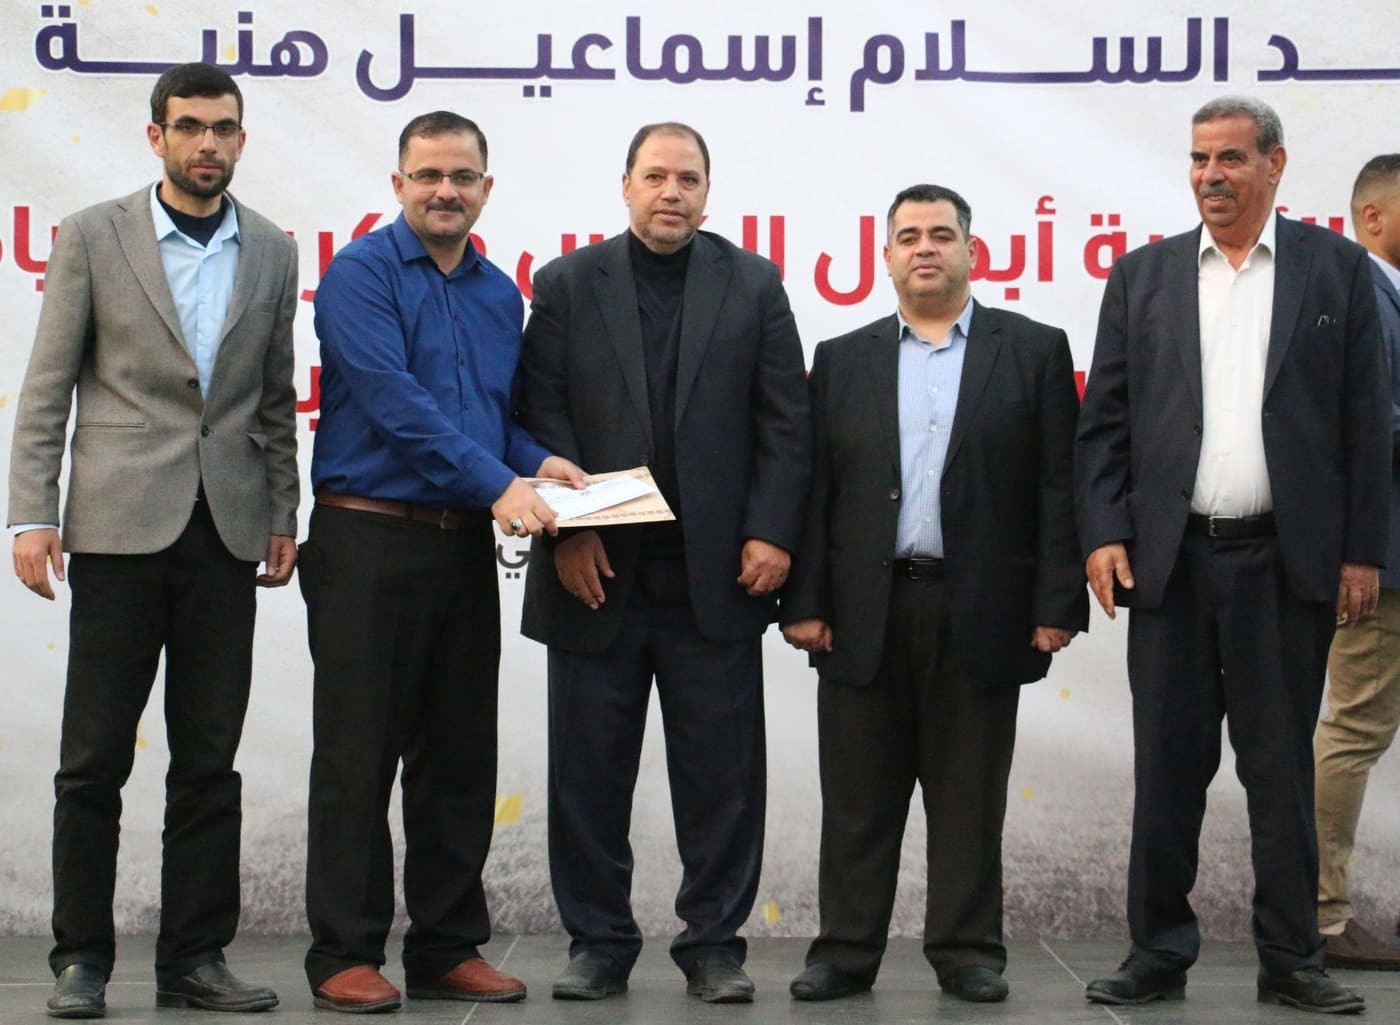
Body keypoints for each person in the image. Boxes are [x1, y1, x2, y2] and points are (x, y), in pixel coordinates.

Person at [1075, 96, 1389, 1015]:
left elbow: (1366, 424)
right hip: (1171, 566)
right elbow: (1105, 426)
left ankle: (1292, 958)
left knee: (1281, 772)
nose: (1210, 175)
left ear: (1274, 165)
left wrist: (1361, 553)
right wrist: (1103, 532)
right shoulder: (1143, 277)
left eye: (1230, 158)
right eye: (1198, 159)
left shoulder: (1336, 270)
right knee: (1168, 771)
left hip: (1285, 566)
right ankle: (1157, 953)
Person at [8, 62, 297, 1017]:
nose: (207, 143)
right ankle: (81, 959)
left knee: (209, 760)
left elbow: (275, 398)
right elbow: (48, 386)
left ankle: (195, 957)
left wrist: (284, 513)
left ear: (241, 139)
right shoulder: (94, 235)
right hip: (117, 530)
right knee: (94, 757)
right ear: (157, 136)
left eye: (223, 128)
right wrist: (32, 513)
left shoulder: (272, 249)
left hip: (226, 529)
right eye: (190, 126)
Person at [517, 121, 812, 1003]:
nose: (671, 192)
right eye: (655, 176)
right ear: (626, 186)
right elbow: (538, 412)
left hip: (713, 579)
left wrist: (773, 530)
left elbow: (786, 422)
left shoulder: (753, 283)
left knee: (723, 780)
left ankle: (713, 944)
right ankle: (598, 942)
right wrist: (569, 531)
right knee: (587, 775)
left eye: (687, 178)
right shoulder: (568, 284)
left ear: (708, 193)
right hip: (595, 572)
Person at [300, 110, 582, 1013]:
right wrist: (501, 482)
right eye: (427, 175)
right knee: (359, 754)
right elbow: (397, 406)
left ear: (486, 189)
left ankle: (446, 945)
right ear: (398, 184)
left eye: (462, 176)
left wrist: (538, 460)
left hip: (462, 543)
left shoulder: (500, 294)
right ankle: (343, 952)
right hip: (367, 539)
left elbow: (488, 419)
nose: (445, 191)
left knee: (458, 754)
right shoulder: (359, 275)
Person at [779, 184, 1087, 1004]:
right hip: (862, 610)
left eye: (942, 234)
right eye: (909, 235)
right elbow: (814, 489)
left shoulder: (1033, 350)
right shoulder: (842, 358)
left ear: (971, 252)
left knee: (969, 797)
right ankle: (845, 952)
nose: (925, 247)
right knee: (858, 799)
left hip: (981, 608)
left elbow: (1059, 485)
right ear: (885, 257)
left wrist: (1056, 603)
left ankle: (968, 951)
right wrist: (804, 600)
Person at [1312, 154, 1400, 971]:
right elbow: (1367, 422)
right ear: (1372, 216)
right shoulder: (1360, 294)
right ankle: (1321, 914)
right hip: (1383, 562)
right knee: (1354, 729)